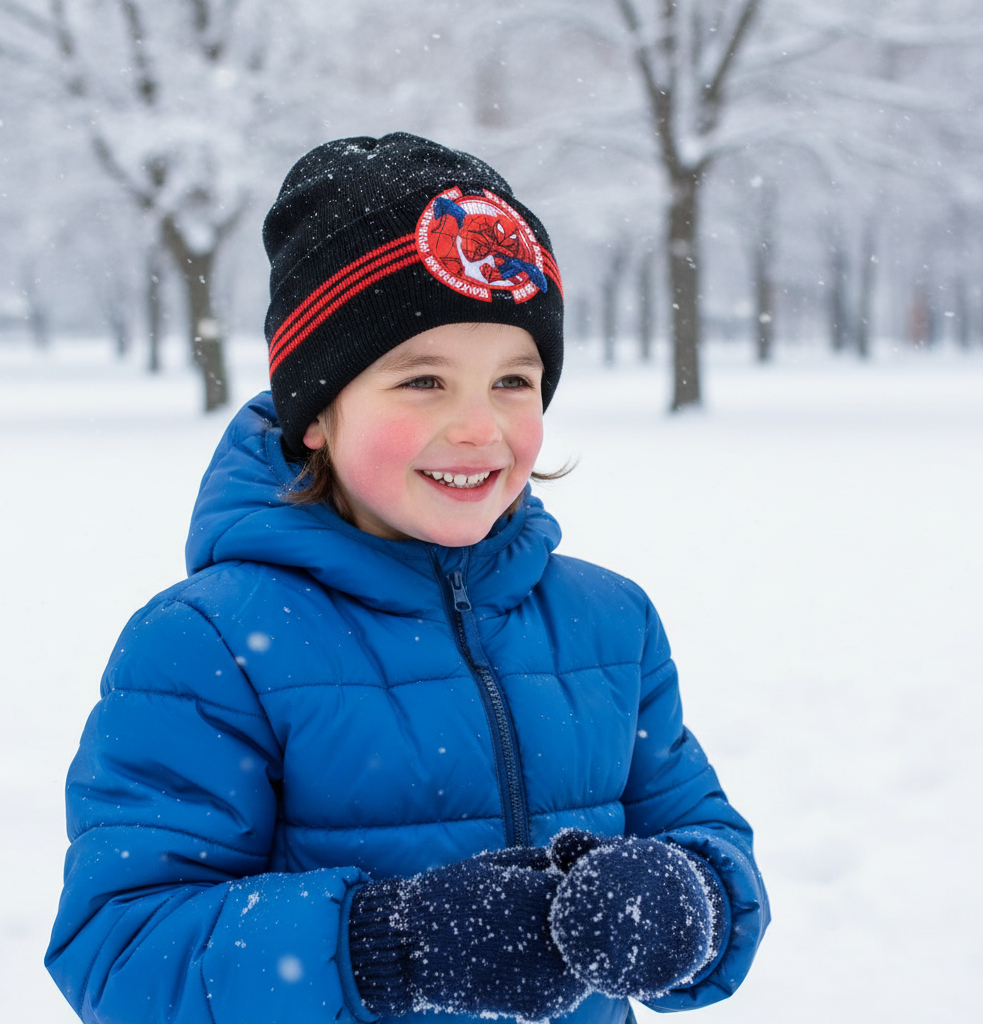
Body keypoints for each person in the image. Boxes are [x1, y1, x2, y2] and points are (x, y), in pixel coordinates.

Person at [45, 133, 769, 1024]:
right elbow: (120, 949)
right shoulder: (211, 645)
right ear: (316, 416)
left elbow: (709, 840)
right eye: (423, 380)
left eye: (513, 379)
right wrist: (391, 944)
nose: (478, 428)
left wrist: (687, 897)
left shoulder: (606, 621)